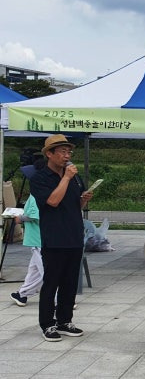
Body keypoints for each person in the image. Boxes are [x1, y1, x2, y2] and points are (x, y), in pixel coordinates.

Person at [30, 134, 93, 342]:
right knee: (52, 282)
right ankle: (47, 324)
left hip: (74, 235)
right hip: (54, 238)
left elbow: (74, 205)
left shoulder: (74, 177)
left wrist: (83, 199)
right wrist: (65, 178)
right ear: (49, 154)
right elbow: (53, 201)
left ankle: (65, 321)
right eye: (62, 152)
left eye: (69, 152)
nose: (67, 156)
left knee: (70, 282)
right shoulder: (40, 178)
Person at [10, 193, 41, 307]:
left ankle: (60, 299)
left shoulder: (36, 194)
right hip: (41, 238)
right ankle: (22, 294)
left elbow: (34, 215)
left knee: (46, 270)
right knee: (35, 269)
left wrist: (20, 218)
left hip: (37, 238)